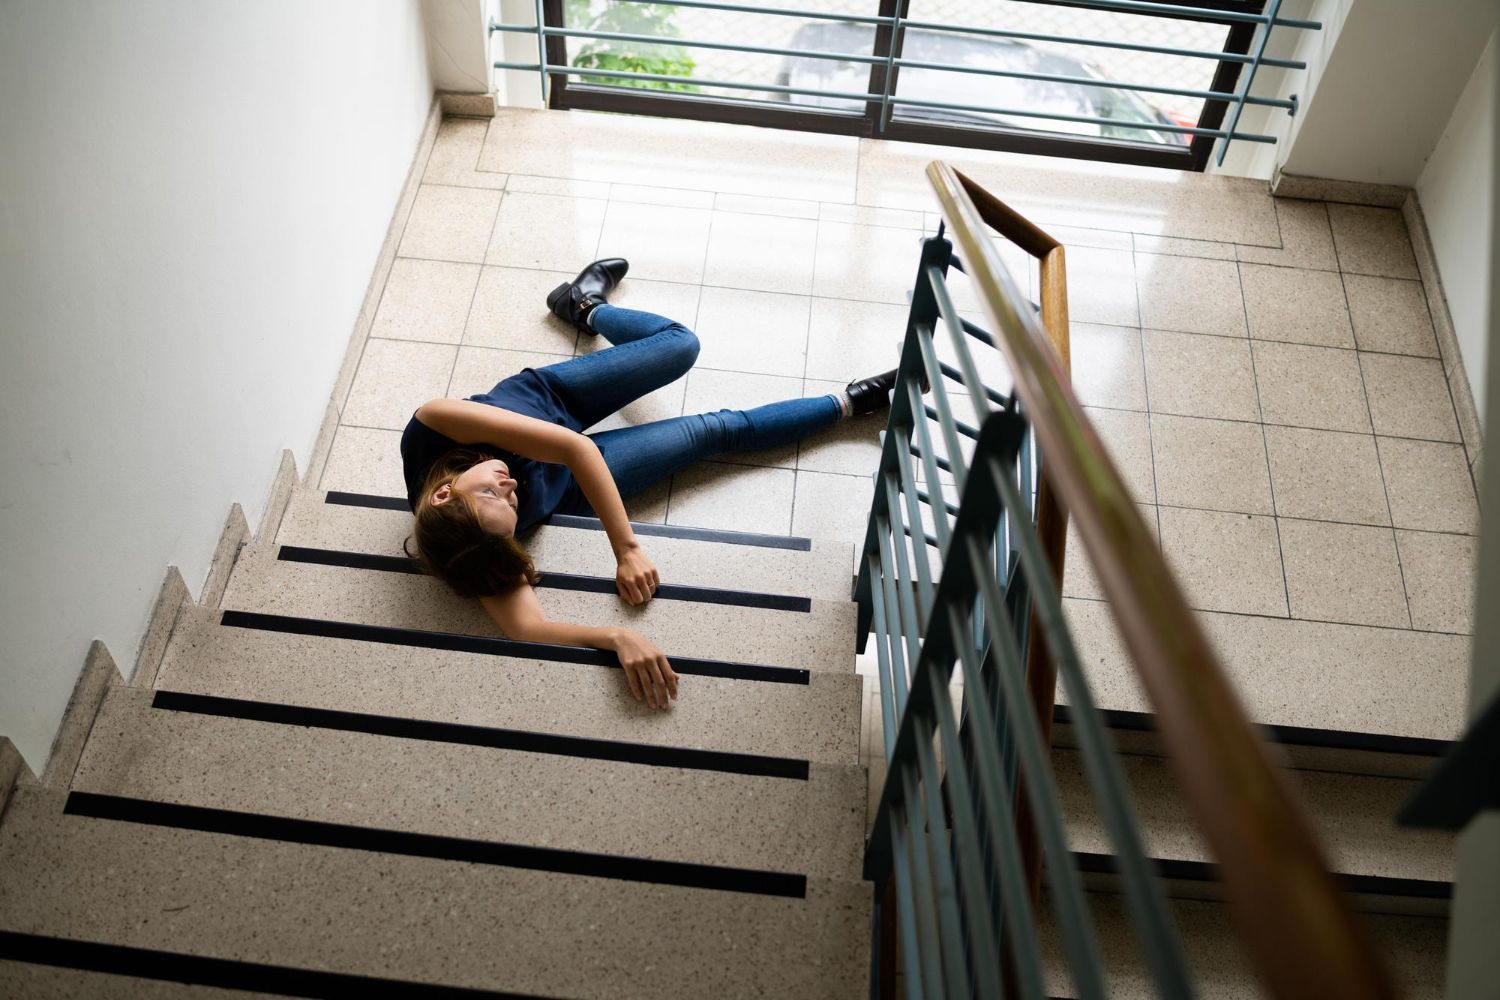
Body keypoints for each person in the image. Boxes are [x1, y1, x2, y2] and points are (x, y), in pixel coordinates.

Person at [402, 258, 900, 712]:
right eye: (512, 504)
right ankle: (854, 402)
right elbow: (525, 627)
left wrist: (627, 550)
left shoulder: (432, 424)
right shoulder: (475, 548)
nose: (509, 484)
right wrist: (616, 637)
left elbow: (578, 449)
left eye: (491, 490)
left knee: (681, 344)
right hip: (566, 483)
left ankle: (583, 307)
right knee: (714, 431)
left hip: (549, 406)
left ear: (445, 494)